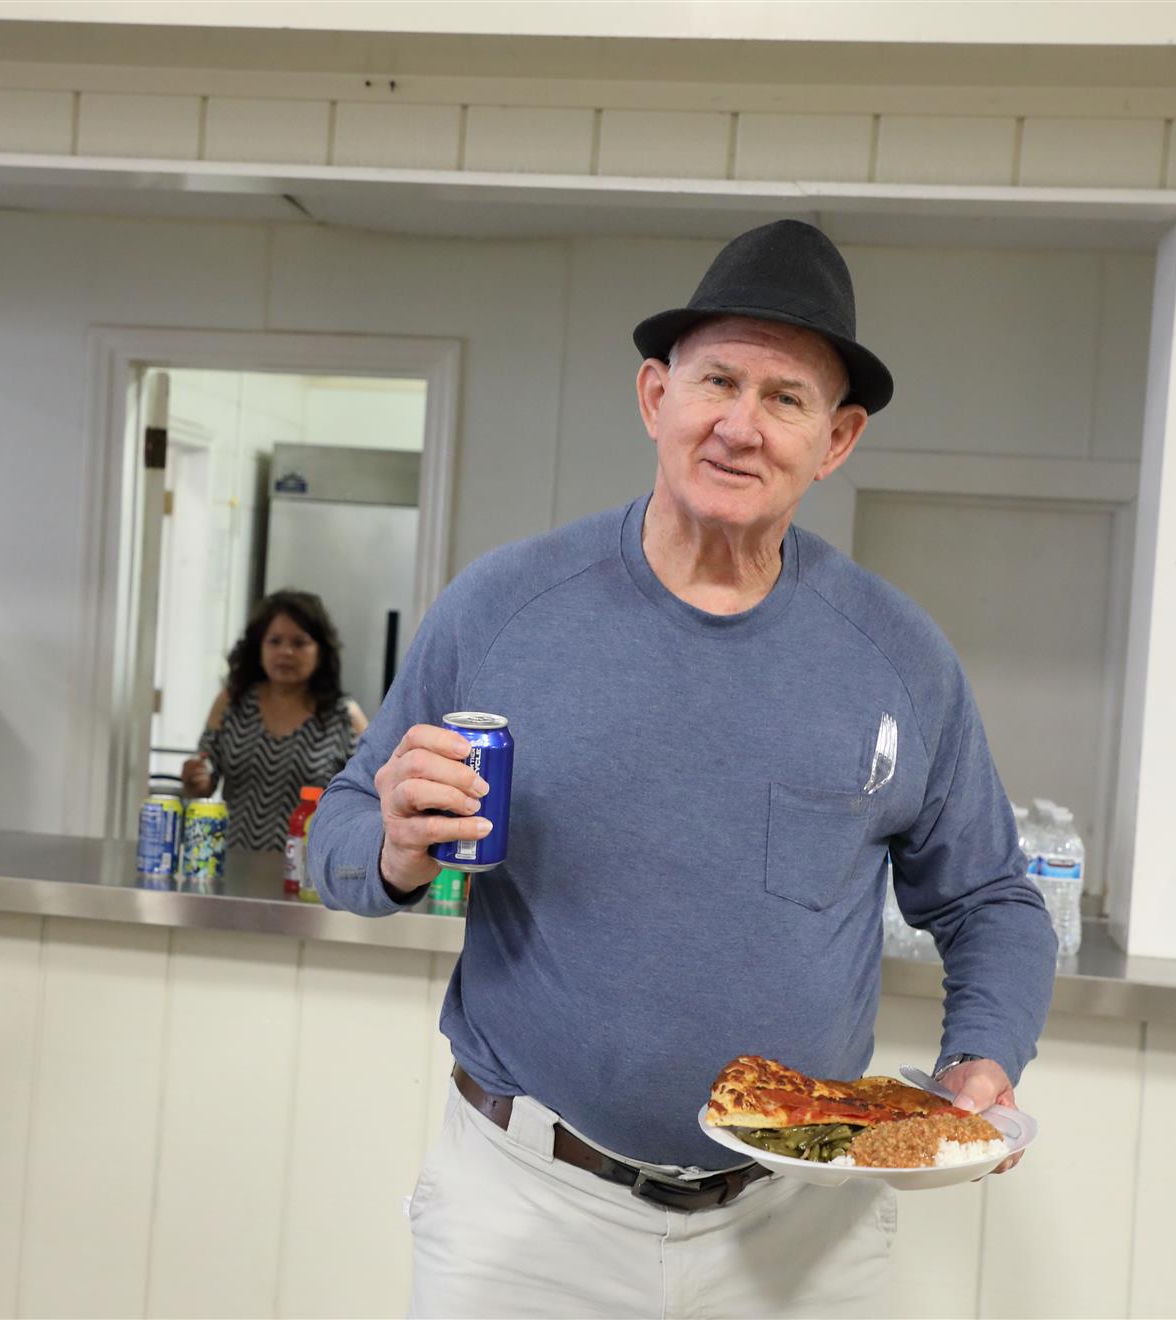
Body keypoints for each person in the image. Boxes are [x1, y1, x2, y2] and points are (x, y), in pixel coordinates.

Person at [311, 220, 1058, 1318]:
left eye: (786, 398)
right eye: (718, 381)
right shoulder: (505, 607)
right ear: (656, 396)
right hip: (527, 1211)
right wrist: (393, 847)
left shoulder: (899, 658)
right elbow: (338, 835)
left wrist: (983, 1057)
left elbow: (991, 898)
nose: (740, 426)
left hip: (800, 1232)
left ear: (837, 439)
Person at [181, 589, 369, 851]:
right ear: (259, 647)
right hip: (234, 860)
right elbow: (203, 782)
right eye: (274, 641)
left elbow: (368, 796)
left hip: (309, 866)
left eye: (299, 643)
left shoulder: (345, 716)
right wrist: (195, 778)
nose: (286, 652)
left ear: (320, 652)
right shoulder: (231, 702)